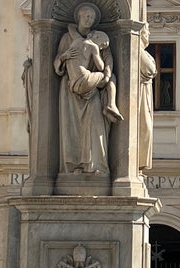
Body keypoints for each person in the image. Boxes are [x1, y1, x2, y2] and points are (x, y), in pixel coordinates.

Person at [54, 3, 118, 175]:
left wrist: (105, 74)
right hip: (69, 91)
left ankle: (95, 165)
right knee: (72, 129)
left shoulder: (99, 38)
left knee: (95, 127)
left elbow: (107, 62)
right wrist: (63, 57)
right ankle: (74, 166)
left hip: (93, 90)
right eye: (86, 16)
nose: (89, 20)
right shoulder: (67, 38)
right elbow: (57, 64)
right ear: (79, 18)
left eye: (92, 17)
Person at [54, 31, 123, 122]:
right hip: (85, 80)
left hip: (73, 84)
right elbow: (101, 66)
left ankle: (110, 105)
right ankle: (111, 104)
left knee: (107, 77)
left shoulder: (76, 41)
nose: (101, 48)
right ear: (97, 37)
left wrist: (65, 56)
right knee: (111, 78)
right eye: (102, 45)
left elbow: (71, 29)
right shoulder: (94, 47)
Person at [138, 24, 157, 171]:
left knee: (146, 129)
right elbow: (150, 69)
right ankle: (137, 161)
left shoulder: (145, 53)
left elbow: (150, 70)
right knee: (143, 128)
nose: (148, 34)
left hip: (145, 94)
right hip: (138, 96)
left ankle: (139, 162)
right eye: (146, 31)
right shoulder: (137, 50)